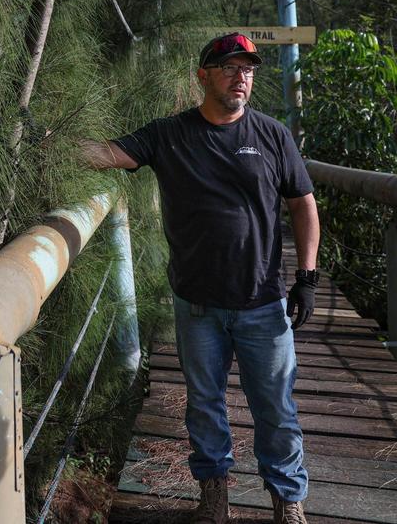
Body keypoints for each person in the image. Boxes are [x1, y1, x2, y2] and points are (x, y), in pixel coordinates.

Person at [80, 32, 320, 524]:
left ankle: (287, 500)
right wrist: (46, 141)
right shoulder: (170, 134)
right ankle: (213, 495)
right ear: (203, 76)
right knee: (205, 405)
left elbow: (303, 205)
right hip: (197, 305)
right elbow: (108, 154)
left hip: (262, 301)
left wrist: (308, 277)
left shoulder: (272, 135)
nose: (241, 78)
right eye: (230, 68)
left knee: (276, 407)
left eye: (248, 69)